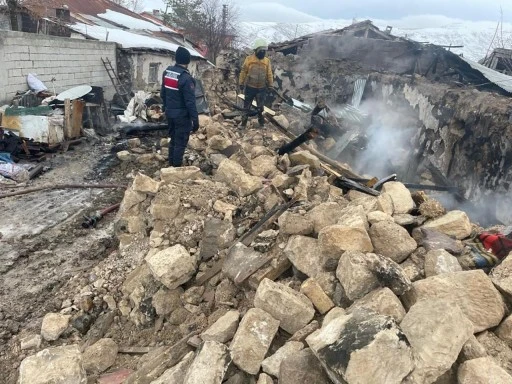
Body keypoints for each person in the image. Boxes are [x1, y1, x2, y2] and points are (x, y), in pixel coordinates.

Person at [161, 46, 199, 167]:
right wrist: (195, 120)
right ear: (187, 61)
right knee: (181, 142)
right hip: (182, 116)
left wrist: (165, 108)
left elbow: (163, 93)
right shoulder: (186, 78)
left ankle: (171, 163)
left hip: (170, 113)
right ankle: (176, 168)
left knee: (173, 139)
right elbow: (190, 102)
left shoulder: (167, 73)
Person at [239, 38, 273, 128]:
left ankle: (261, 124)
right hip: (250, 87)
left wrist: (270, 85)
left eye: (264, 51)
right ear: (256, 50)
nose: (263, 53)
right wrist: (241, 83)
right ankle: (243, 124)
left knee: (260, 107)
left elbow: (269, 73)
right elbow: (243, 71)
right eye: (261, 51)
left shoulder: (266, 61)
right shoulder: (249, 59)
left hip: (261, 89)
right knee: (246, 107)